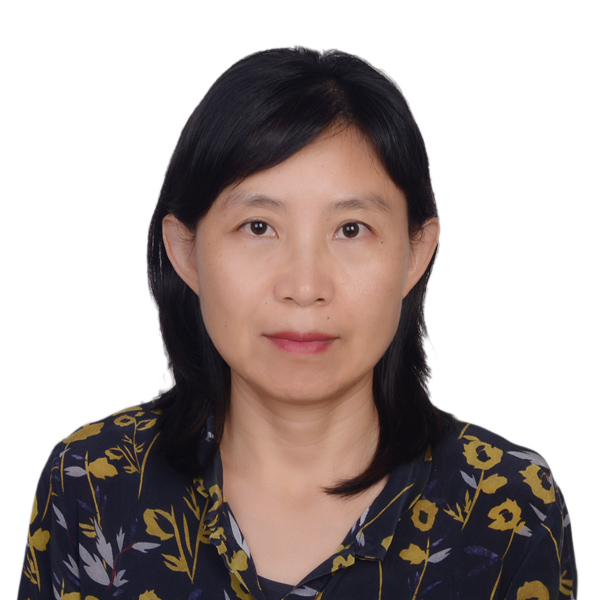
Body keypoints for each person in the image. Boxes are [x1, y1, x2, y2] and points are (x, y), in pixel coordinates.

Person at [18, 47, 576, 600]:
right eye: (258, 227)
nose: (305, 287)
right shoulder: (92, 484)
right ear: (186, 251)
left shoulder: (508, 509)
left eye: (351, 229)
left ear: (415, 253)